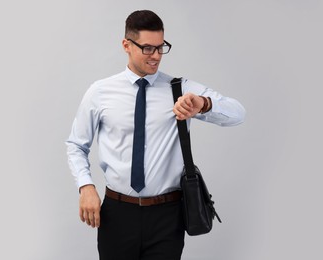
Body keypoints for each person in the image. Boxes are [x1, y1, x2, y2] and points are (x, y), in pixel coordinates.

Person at [66, 10, 245, 260]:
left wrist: (203, 104)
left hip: (167, 215)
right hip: (117, 213)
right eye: (148, 48)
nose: (157, 56)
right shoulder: (100, 92)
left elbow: (238, 113)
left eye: (161, 47)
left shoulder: (180, 89)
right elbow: (76, 145)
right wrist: (85, 186)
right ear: (126, 45)